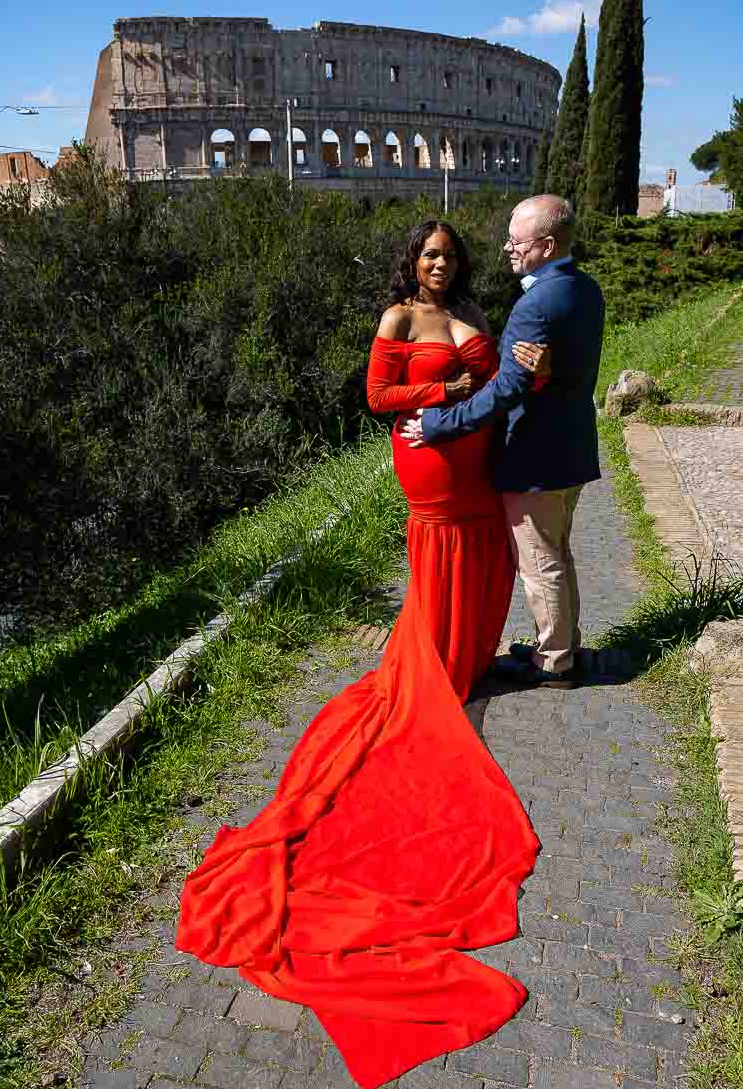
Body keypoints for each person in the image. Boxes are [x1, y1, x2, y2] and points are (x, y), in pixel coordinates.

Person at [177, 221, 550, 1089]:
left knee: (483, 548)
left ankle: (458, 663)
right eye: (430, 256)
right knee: (442, 548)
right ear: (411, 263)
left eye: (449, 257)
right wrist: (443, 388)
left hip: (476, 457)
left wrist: (492, 380)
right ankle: (433, 666)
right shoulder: (394, 318)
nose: (440, 266)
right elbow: (376, 398)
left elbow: (500, 380)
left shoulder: (471, 310)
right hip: (425, 455)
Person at [401, 196, 605, 689]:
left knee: (540, 562)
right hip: (572, 448)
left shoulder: (536, 302)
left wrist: (439, 426)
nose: (508, 247)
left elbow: (506, 389)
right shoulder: (586, 288)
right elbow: (571, 364)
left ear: (547, 245)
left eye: (518, 240)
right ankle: (562, 644)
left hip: (535, 454)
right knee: (557, 552)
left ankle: (554, 663)